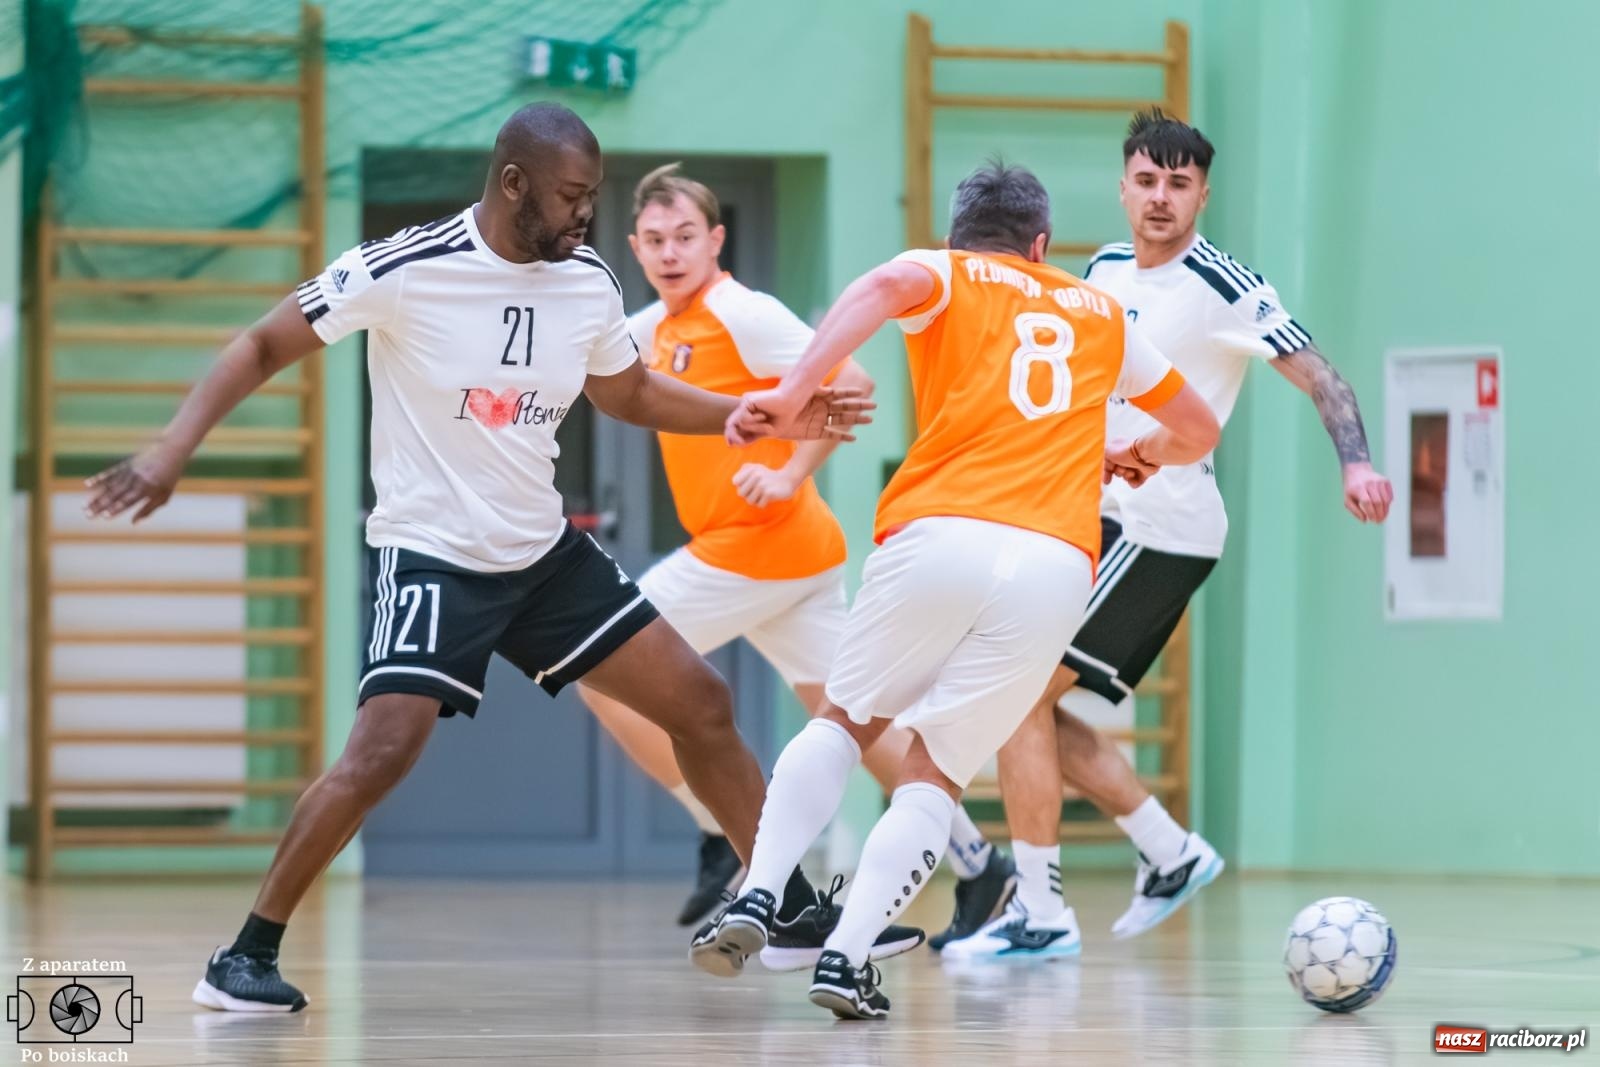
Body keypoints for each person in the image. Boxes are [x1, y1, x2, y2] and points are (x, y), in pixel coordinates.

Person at [82, 103, 873, 1013]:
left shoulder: (585, 279)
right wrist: (171, 449)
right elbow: (263, 341)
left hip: (542, 556)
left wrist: (743, 413)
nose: (586, 215)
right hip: (433, 555)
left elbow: (628, 391)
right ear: (512, 184)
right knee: (381, 752)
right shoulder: (404, 269)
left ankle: (792, 908)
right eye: (572, 196)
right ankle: (243, 957)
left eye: (593, 196)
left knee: (702, 702)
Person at [691, 161, 1221, 1019]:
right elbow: (1199, 428)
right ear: (1042, 245)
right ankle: (848, 956)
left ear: (957, 232)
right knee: (936, 776)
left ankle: (759, 891)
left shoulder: (944, 270)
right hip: (1054, 562)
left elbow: (884, 282)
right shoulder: (1103, 314)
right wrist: (1135, 454)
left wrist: (792, 391)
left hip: (939, 534)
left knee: (846, 721)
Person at [934, 109, 1394, 960]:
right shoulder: (1105, 269)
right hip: (1093, 517)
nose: (1159, 198)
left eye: (1178, 185)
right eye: (1146, 180)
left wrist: (1356, 465)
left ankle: (1044, 907)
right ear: (1122, 187)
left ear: (1201, 195)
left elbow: (1321, 375)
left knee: (1014, 693)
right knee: (1020, 701)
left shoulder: (1226, 285)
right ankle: (1168, 851)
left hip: (1166, 527)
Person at [572, 162, 932, 966]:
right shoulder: (647, 330)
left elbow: (854, 383)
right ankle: (981, 864)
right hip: (785, 557)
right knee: (855, 717)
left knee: (601, 661)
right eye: (655, 240)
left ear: (716, 240)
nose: (670, 252)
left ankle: (727, 830)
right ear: (634, 246)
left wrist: (787, 470)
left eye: (685, 237)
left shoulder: (742, 310)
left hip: (759, 544)